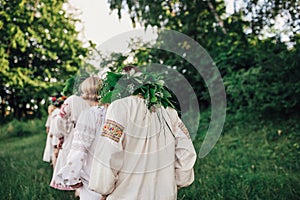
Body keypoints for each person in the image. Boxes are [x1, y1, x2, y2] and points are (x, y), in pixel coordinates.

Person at [89, 67, 197, 200]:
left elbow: (109, 152)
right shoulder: (168, 110)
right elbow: (186, 150)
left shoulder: (119, 108)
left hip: (126, 194)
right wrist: (180, 181)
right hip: (164, 194)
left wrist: (103, 189)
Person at [50, 76, 102, 191]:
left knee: (80, 162)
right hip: (100, 142)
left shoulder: (72, 100)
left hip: (76, 135)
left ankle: (76, 184)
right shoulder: (108, 107)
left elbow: (60, 121)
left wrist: (61, 135)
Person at [55, 100, 107, 200]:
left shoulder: (91, 113)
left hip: (92, 178)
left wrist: (72, 178)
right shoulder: (125, 111)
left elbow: (79, 150)